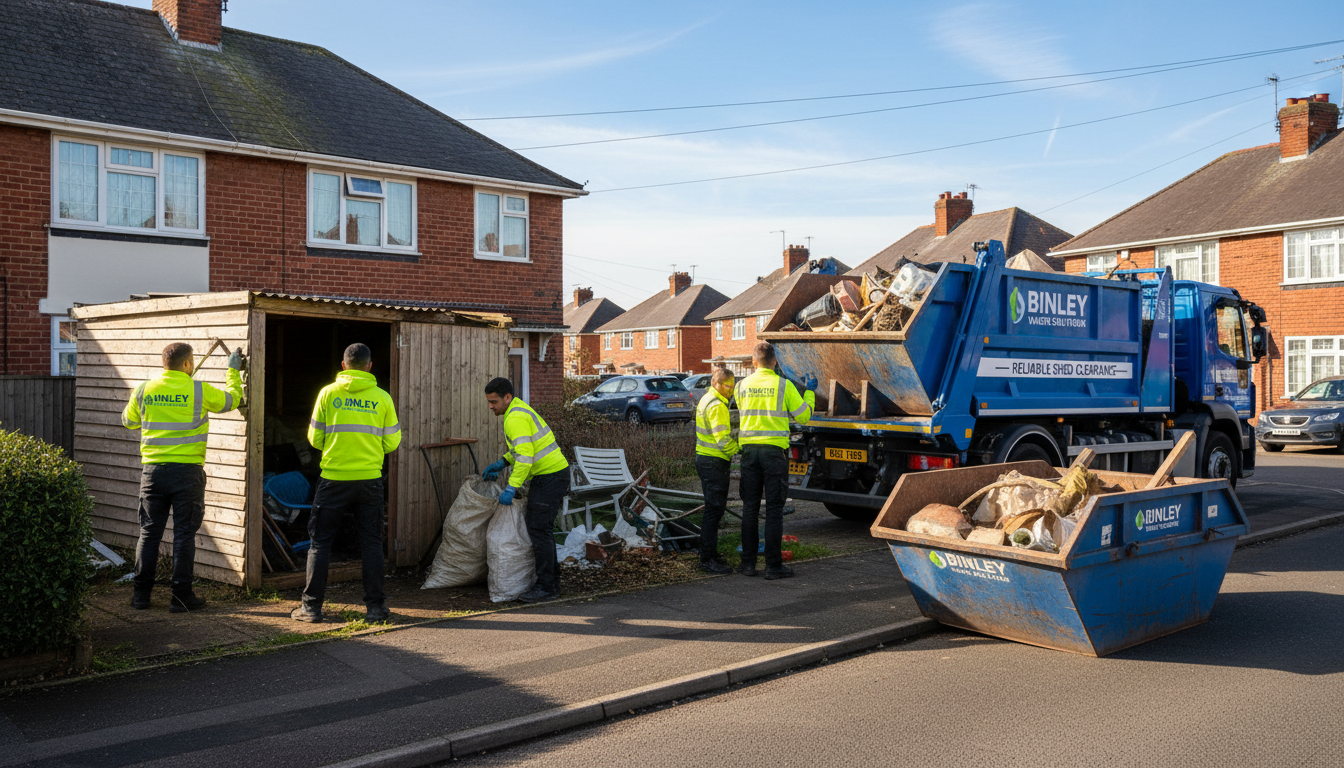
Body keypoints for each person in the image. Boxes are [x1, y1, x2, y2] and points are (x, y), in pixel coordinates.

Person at [122, 342, 244, 612]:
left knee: (149, 533)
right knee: (184, 535)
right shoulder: (198, 390)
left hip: (152, 473)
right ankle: (181, 597)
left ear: (164, 362)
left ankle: (140, 596)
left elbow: (128, 421)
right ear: (188, 364)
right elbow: (231, 400)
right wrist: (233, 370)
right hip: (187, 473)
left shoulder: (144, 389)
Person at [292, 343, 401, 624]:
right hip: (369, 481)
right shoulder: (383, 398)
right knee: (372, 544)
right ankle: (376, 609)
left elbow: (315, 439)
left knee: (321, 543)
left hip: (333, 480)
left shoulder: (328, 394)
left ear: (344, 365)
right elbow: (392, 442)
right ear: (369, 365)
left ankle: (311, 608)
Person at [482, 377, 570, 603]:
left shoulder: (515, 418)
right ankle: (551, 583)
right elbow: (524, 448)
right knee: (541, 530)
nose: (491, 406)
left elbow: (526, 457)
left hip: (549, 477)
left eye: (494, 402)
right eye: (489, 402)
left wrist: (511, 487)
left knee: (540, 530)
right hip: (553, 475)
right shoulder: (519, 410)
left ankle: (547, 586)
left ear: (507, 397)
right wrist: (503, 461)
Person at [734, 342, 817, 580]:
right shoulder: (784, 385)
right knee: (773, 510)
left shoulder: (741, 386)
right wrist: (809, 391)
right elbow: (804, 416)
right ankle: (773, 565)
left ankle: (748, 564)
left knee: (750, 507)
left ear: (753, 362)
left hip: (749, 453)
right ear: (775, 362)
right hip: (774, 454)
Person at [694, 368, 738, 574]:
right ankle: (708, 558)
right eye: (728, 386)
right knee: (714, 510)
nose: (731, 391)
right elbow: (722, 440)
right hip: (714, 462)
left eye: (733, 386)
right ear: (717, 383)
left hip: (704, 459)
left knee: (712, 509)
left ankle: (708, 553)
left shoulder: (706, 399)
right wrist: (738, 453)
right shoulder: (717, 406)